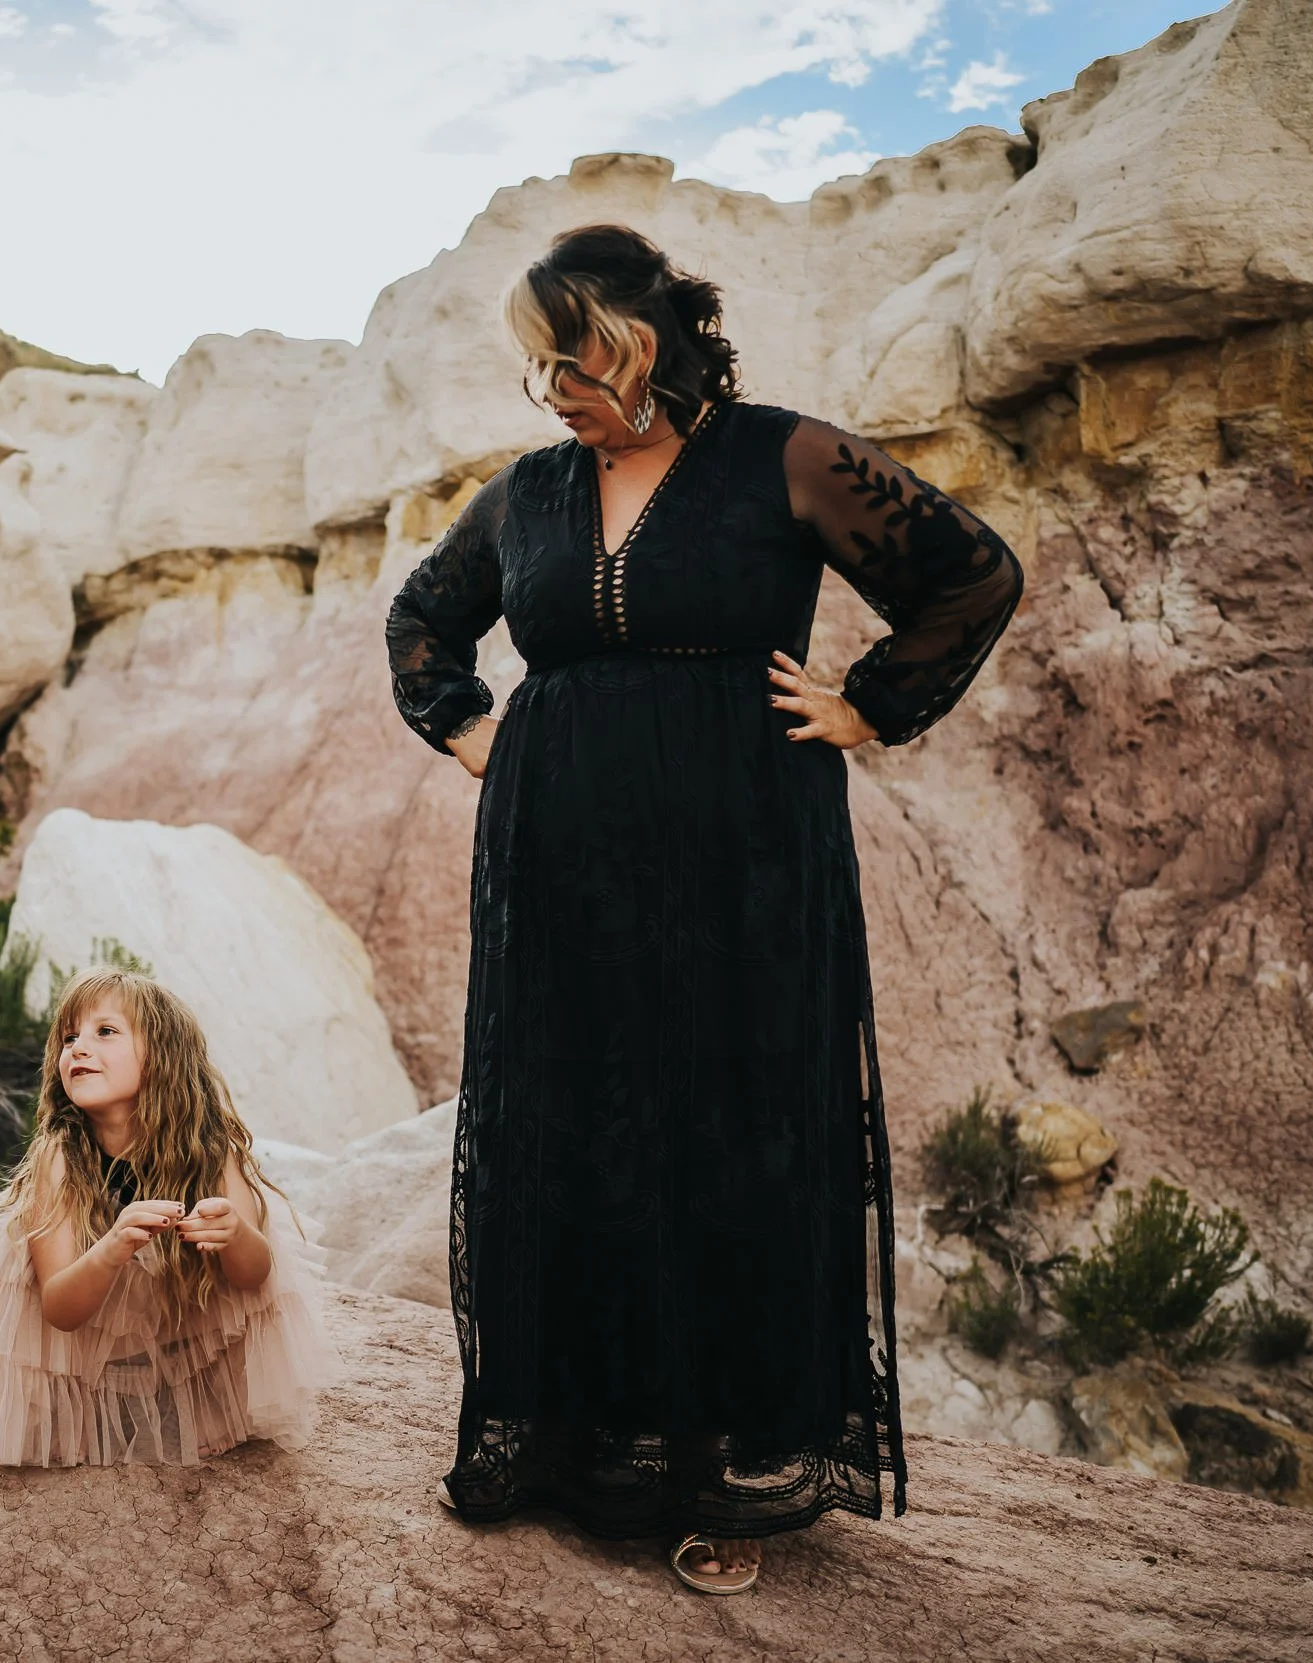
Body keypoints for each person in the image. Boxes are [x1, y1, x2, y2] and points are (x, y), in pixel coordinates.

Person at [386, 224, 1024, 1592]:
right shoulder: (528, 493)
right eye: (537, 367)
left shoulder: (785, 456)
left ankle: (724, 1467)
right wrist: (472, 729)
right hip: (558, 863)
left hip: (745, 856)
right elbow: (421, 618)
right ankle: (588, 1444)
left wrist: (870, 704)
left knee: (733, 1121)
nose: (552, 389)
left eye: (571, 359)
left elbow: (971, 571)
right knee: (579, 1117)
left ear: (644, 340)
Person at [0, 968, 334, 1465]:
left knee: (244, 1260)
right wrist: (113, 1246)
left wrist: (235, 1233)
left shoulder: (209, 1147)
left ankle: (189, 1399)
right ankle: (109, 1406)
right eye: (69, 1038)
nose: (78, 1048)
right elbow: (60, 1310)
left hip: (181, 1343)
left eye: (105, 1031)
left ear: (161, 1055)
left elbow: (254, 1278)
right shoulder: (60, 1157)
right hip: (86, 1358)